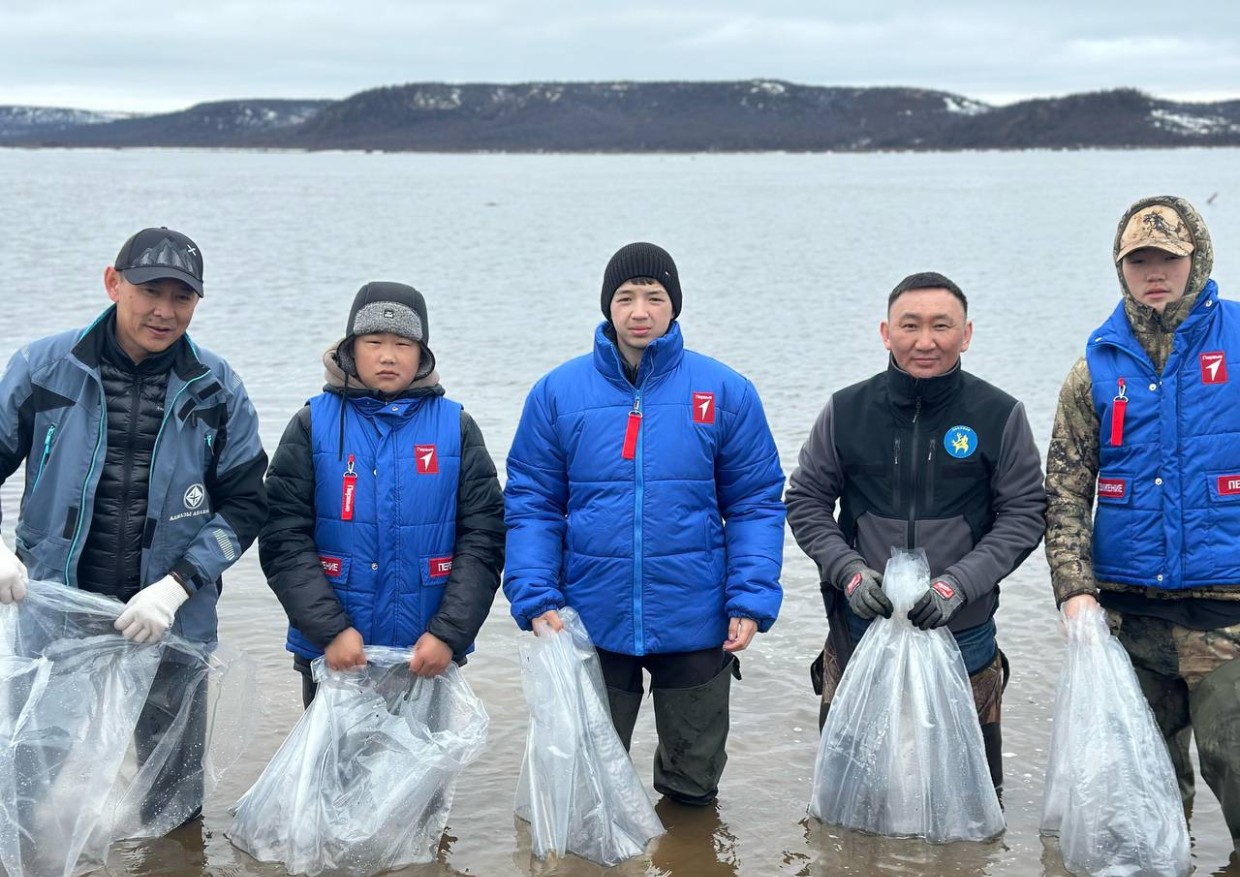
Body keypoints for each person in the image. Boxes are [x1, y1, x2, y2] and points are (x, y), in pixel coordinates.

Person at [0, 226, 268, 824]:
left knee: (173, 799)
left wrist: (175, 587)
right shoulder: (43, 366)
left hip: (171, 622)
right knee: (28, 782)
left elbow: (247, 503)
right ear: (113, 282)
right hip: (57, 616)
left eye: (183, 297)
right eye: (151, 290)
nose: (164, 311)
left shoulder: (218, 387)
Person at [503, 242, 786, 806]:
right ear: (607, 306)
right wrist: (536, 596)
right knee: (587, 786)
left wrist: (749, 599)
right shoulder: (558, 393)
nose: (640, 311)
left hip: (697, 616)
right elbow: (532, 502)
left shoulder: (725, 391)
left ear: (673, 306)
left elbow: (755, 502)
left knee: (694, 783)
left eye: (654, 297)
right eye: (626, 297)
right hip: (590, 616)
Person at [785, 271, 1046, 793]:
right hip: (861, 631)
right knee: (850, 800)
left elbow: (1024, 514)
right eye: (910, 326)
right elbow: (806, 501)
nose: (925, 341)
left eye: (941, 326)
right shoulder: (846, 410)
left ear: (966, 334)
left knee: (968, 799)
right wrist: (850, 574)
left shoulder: (999, 414)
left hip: (963, 632)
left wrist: (957, 585)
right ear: (886, 332)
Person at [1046, 195, 1240, 852]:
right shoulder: (1095, 365)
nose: (1154, 272)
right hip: (1130, 618)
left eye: (1168, 258)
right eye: (1139, 261)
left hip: (1227, 611)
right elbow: (1066, 489)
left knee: (1233, 760)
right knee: (1144, 787)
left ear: (1197, 259)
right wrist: (1073, 588)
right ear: (1121, 268)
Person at [260, 281, 504, 707]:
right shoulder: (311, 423)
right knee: (333, 773)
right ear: (352, 348)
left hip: (426, 654)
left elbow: (484, 539)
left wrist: (448, 634)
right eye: (374, 342)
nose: (388, 356)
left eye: (403, 343)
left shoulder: (456, 426)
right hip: (334, 653)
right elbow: (283, 537)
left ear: (422, 353)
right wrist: (330, 630)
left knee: (426, 773)